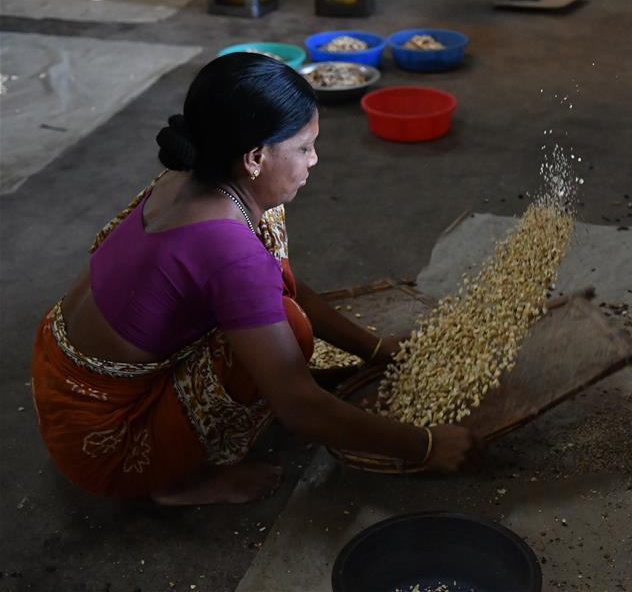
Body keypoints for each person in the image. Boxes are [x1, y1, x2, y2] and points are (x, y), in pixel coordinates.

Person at [30, 53, 481, 505]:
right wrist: (425, 445)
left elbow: (276, 279)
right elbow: (298, 405)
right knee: (292, 327)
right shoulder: (228, 249)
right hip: (106, 440)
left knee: (270, 249)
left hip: (57, 368)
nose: (315, 159)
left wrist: (374, 348)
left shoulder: (187, 175)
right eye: (305, 147)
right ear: (255, 157)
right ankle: (176, 484)